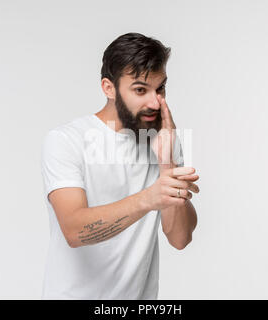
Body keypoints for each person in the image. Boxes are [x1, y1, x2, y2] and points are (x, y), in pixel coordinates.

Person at [40, 32, 200, 300]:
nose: (154, 102)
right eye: (140, 90)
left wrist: (167, 164)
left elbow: (180, 239)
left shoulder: (163, 141)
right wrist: (150, 198)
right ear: (108, 87)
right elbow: (75, 230)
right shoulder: (67, 140)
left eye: (160, 88)